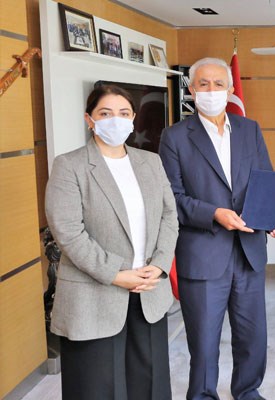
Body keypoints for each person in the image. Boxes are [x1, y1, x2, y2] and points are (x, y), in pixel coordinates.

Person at [158, 57, 275, 400]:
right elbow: (171, 198)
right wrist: (214, 213)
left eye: (219, 84)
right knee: (203, 341)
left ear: (231, 89)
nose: (211, 90)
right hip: (202, 253)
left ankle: (247, 390)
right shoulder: (174, 137)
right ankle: (202, 395)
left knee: (252, 335)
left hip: (249, 251)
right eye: (203, 84)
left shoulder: (249, 129)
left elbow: (266, 183)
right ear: (191, 89)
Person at [45, 84, 179, 400]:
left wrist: (160, 265)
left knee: (150, 386)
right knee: (98, 387)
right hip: (94, 294)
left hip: (148, 290)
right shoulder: (70, 165)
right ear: (89, 119)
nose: (115, 120)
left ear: (132, 119)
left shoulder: (151, 161)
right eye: (105, 113)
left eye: (123, 113)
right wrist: (116, 274)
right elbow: (69, 232)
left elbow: (169, 216)